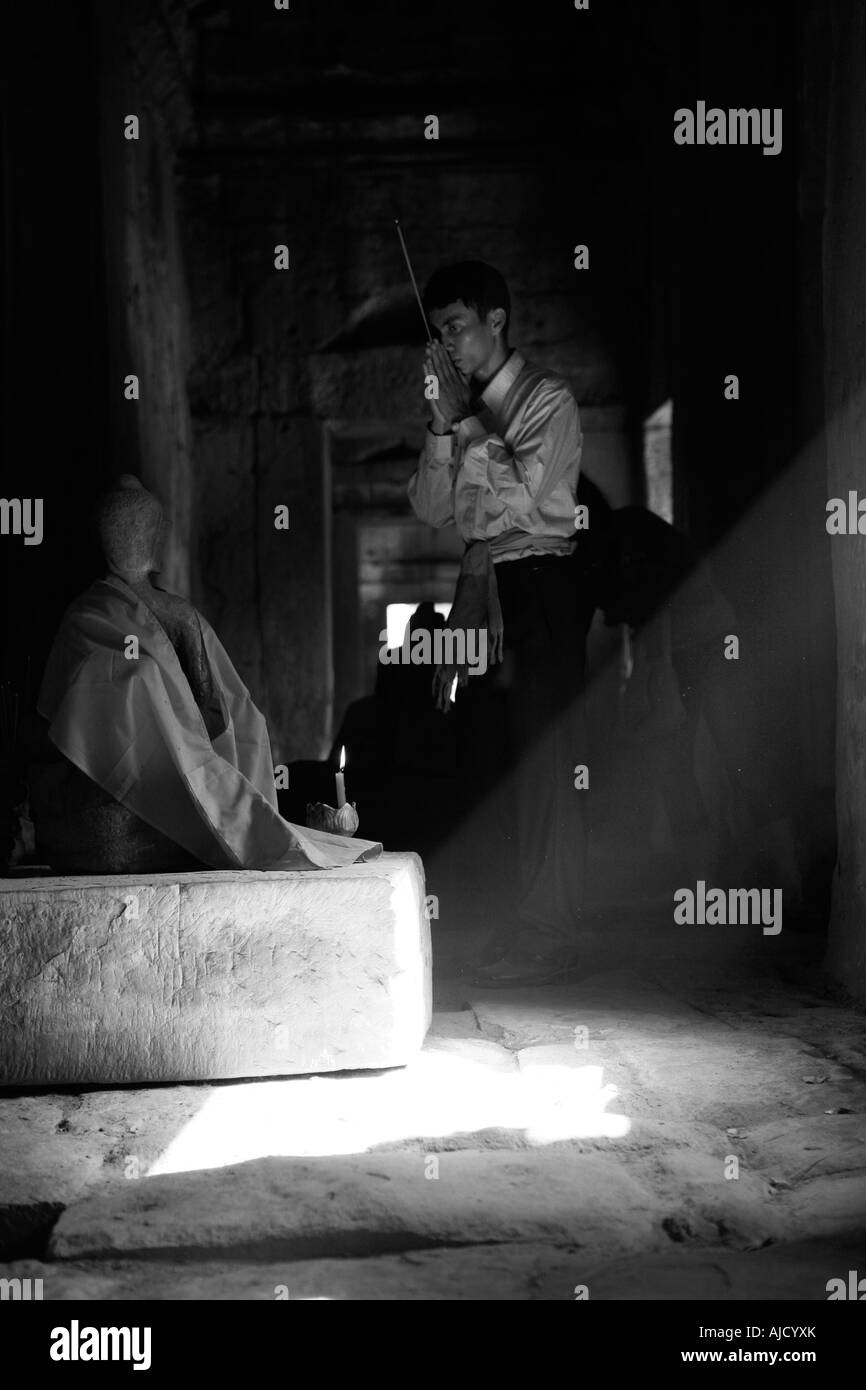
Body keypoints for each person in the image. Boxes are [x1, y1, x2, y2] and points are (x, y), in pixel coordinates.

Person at [36, 476, 380, 872]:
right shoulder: (104, 615)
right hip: (113, 806)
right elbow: (215, 715)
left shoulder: (99, 614)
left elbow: (214, 706)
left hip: (131, 805)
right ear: (154, 544)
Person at [408, 261, 586, 984]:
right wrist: (437, 425)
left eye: (455, 327)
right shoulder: (458, 412)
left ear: (495, 321)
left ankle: (554, 933)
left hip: (538, 584)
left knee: (547, 765)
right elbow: (433, 509)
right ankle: (513, 926)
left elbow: (515, 500)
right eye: (438, 332)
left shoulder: (549, 400)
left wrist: (468, 423)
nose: (447, 345)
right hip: (484, 586)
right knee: (494, 761)